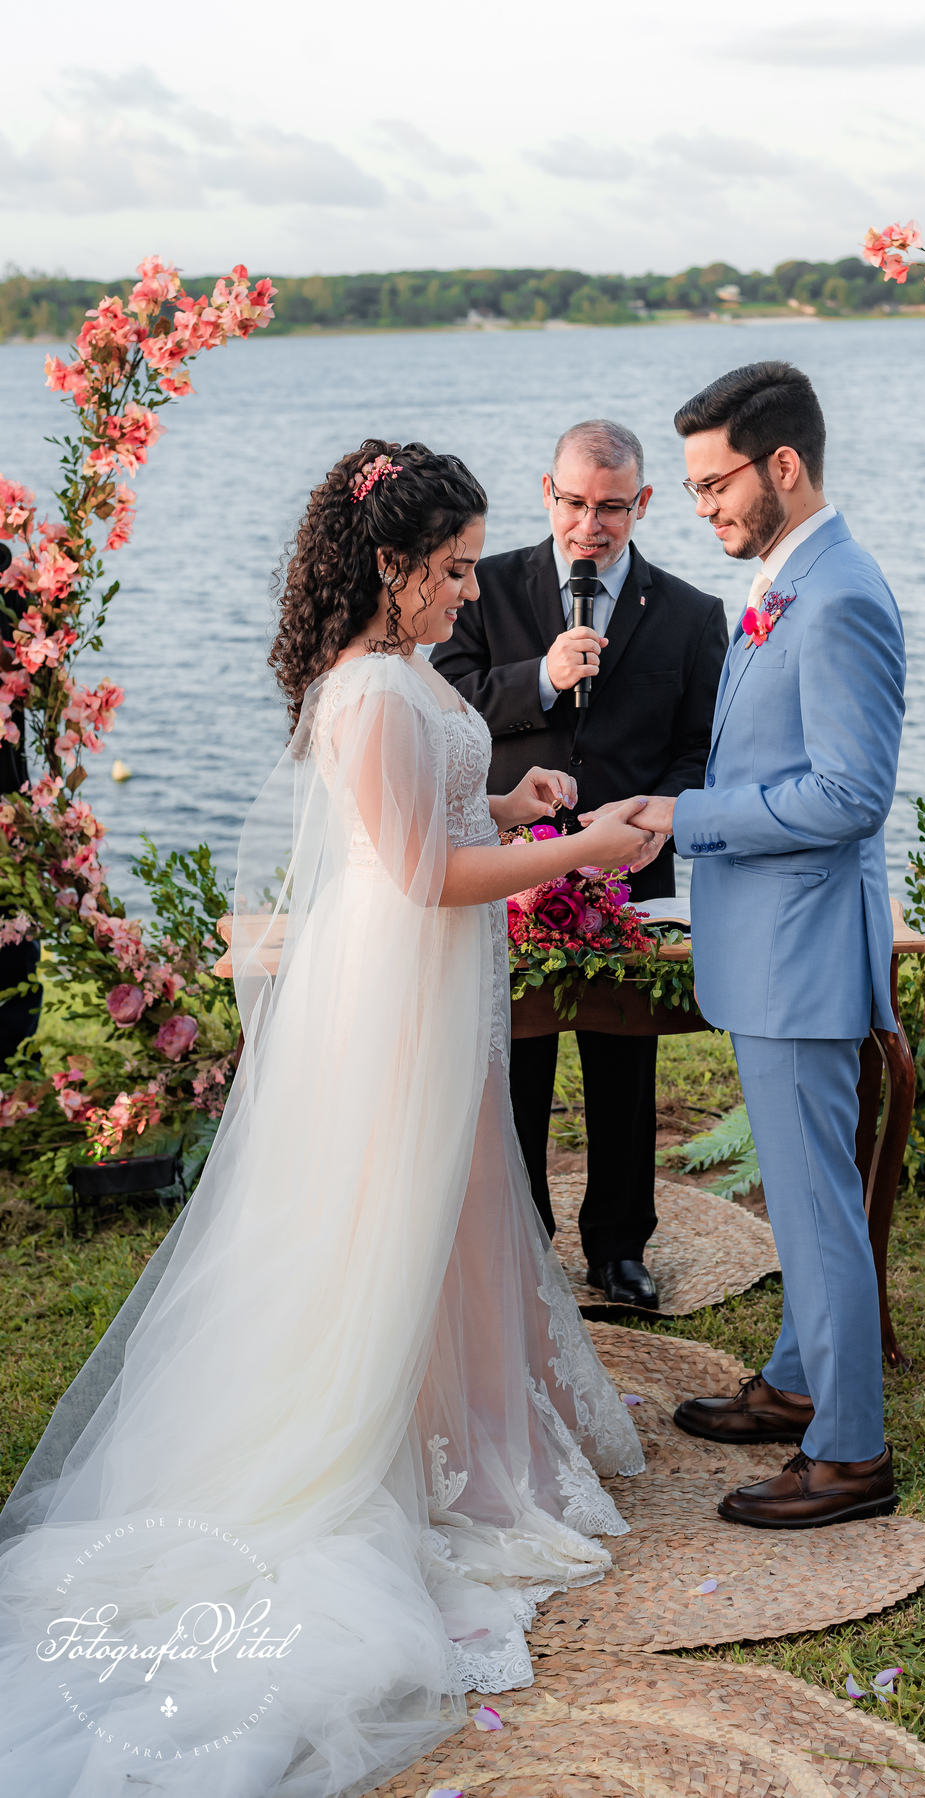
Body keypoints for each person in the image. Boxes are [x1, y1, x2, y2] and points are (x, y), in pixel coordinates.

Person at [0, 440, 650, 1795]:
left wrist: (515, 798)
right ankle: (385, 1446)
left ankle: (465, 1431)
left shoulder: (404, 675)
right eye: (457, 572)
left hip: (428, 985)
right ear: (391, 568)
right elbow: (419, 874)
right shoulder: (360, 692)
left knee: (457, 1206)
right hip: (392, 996)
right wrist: (580, 849)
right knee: (390, 1215)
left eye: (477, 568)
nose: (474, 596)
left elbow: (441, 815)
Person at [598, 363, 906, 1528]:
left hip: (803, 950)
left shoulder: (839, 598)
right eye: (691, 488)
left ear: (784, 466)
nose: (705, 506)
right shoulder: (788, 578)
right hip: (775, 943)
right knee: (800, 1192)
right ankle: (793, 1382)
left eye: (715, 481)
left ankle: (849, 1455)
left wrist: (691, 818)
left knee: (815, 1206)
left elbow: (848, 794)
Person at [432, 420, 727, 1310]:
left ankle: (618, 1247)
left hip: (629, 869)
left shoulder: (690, 614)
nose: (588, 525)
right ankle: (521, 1242)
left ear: (641, 503)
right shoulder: (484, 589)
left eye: (610, 507)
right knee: (512, 1055)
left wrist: (647, 826)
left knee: (624, 1061)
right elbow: (447, 706)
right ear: (547, 493)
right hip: (508, 862)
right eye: (573, 503)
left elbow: (699, 753)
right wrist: (545, 678)